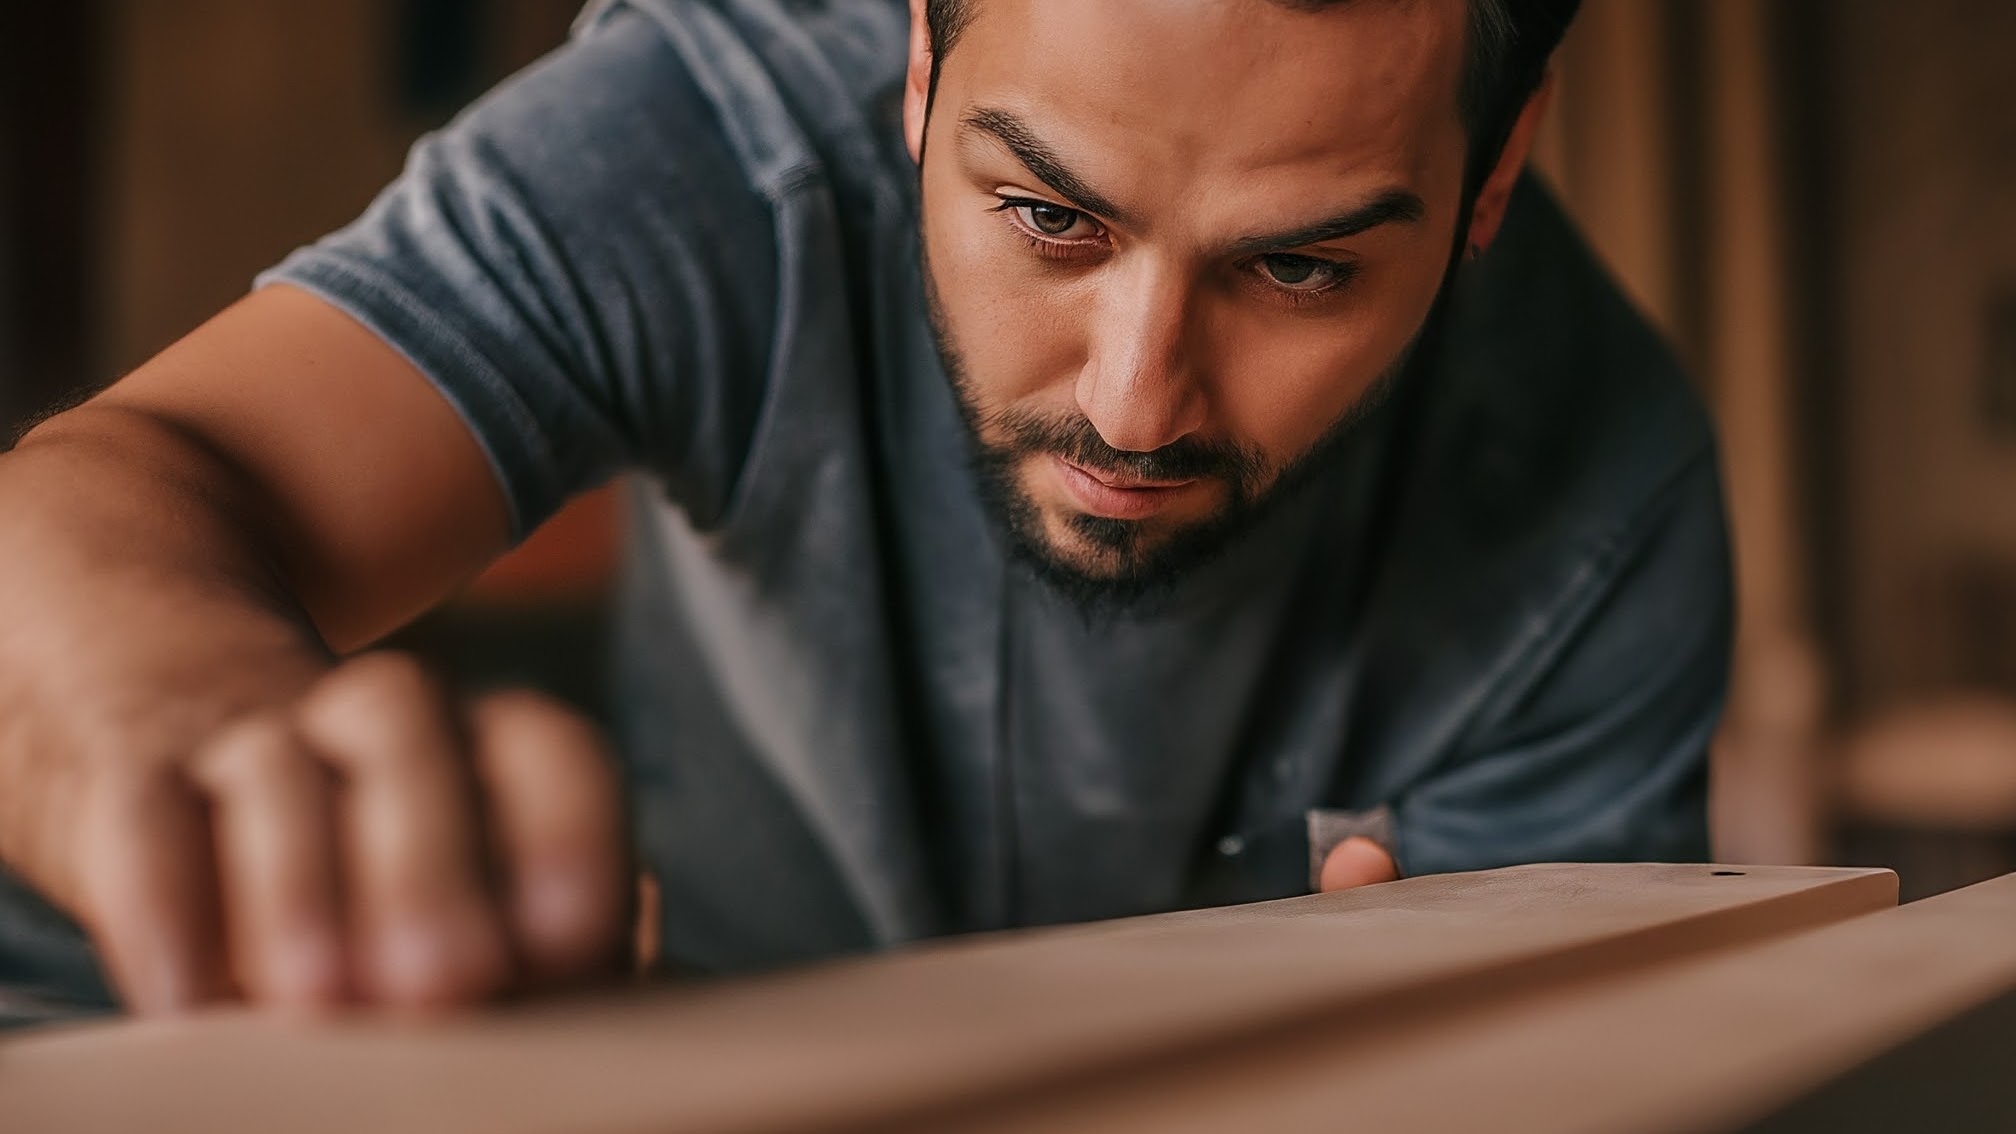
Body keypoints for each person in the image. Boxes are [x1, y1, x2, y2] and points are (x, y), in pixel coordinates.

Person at [0, 0, 1730, 1017]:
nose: (1136, 398)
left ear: (1493, 173)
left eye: (1299, 267)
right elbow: (115, 493)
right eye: (1051, 217)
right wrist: (197, 727)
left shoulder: (1606, 491)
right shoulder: (715, 141)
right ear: (915, 65)